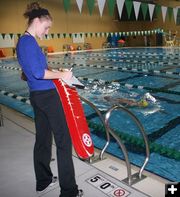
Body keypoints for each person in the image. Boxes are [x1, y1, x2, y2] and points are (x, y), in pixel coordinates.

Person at [16, 2, 83, 197]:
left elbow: (33, 72)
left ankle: (43, 182)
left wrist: (58, 72)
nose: (46, 32)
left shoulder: (24, 42)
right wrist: (61, 75)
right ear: (37, 21)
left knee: (43, 139)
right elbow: (38, 72)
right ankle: (69, 191)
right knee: (63, 142)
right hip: (48, 98)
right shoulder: (28, 42)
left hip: (37, 96)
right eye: (46, 28)